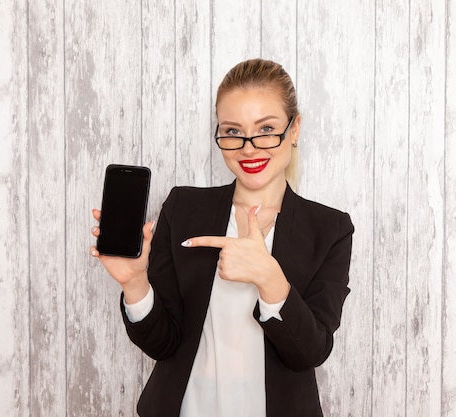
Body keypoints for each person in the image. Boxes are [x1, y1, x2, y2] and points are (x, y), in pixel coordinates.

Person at [90, 58, 354, 417]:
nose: (248, 147)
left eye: (266, 129)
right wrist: (135, 283)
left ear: (294, 129)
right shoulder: (183, 208)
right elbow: (164, 343)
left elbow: (309, 352)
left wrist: (268, 276)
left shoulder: (329, 229)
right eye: (232, 131)